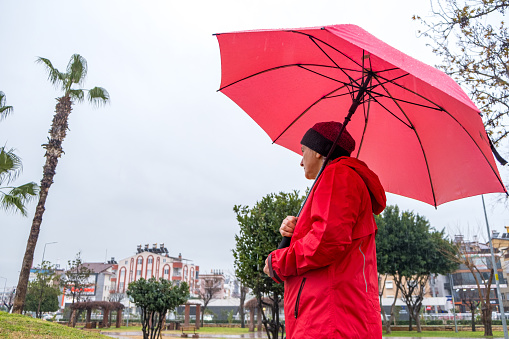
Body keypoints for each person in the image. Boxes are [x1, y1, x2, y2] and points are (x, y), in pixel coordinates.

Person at [263, 121, 386, 339]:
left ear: (319, 152)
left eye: (303, 151)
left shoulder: (338, 175)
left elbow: (325, 241)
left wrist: (278, 263)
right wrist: (294, 231)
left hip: (328, 319)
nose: (301, 161)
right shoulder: (340, 179)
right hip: (331, 315)